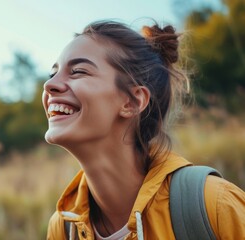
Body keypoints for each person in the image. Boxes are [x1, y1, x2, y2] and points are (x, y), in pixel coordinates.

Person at [42, 20, 245, 240]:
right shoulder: (63, 227)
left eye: (78, 71)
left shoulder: (214, 204)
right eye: (53, 74)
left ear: (132, 102)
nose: (49, 85)